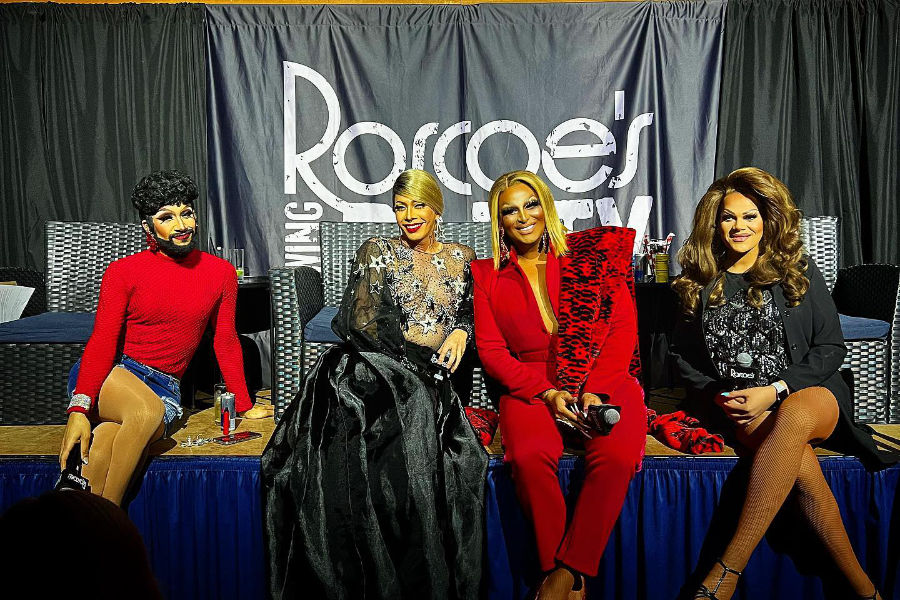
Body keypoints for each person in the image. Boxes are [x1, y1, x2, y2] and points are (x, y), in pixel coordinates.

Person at [262, 169, 488, 600]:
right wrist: (411, 371)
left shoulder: (463, 257)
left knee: (460, 458)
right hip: (374, 368)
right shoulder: (377, 250)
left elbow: (474, 311)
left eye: (418, 205)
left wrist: (461, 331)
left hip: (432, 374)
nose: (409, 216)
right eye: (400, 207)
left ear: (436, 207)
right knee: (395, 431)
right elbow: (362, 325)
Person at [669, 167, 892, 600]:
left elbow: (830, 347)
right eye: (729, 217)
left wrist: (776, 389)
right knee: (801, 463)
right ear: (714, 223)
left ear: (766, 221)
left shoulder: (796, 270)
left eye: (750, 216)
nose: (739, 227)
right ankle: (865, 591)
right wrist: (720, 396)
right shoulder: (700, 281)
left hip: (811, 394)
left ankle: (728, 566)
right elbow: (681, 356)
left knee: (791, 416)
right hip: (740, 405)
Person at [471, 170, 646, 600]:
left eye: (530, 204)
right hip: (531, 384)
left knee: (618, 455)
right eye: (509, 210)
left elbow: (621, 328)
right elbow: (492, 351)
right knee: (529, 457)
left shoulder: (587, 258)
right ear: (498, 221)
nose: (523, 216)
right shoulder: (486, 274)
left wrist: (597, 390)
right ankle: (560, 572)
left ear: (546, 206)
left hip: (600, 374)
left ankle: (563, 577)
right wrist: (546, 393)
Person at [58, 170, 272, 506]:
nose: (181, 225)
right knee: (144, 414)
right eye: (166, 217)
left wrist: (243, 405)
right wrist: (79, 409)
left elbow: (226, 341)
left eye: (186, 212)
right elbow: (101, 342)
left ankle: (82, 524)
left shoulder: (220, 273)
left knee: (109, 437)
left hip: (166, 390)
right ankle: (112, 522)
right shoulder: (123, 272)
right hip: (115, 376)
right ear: (147, 226)